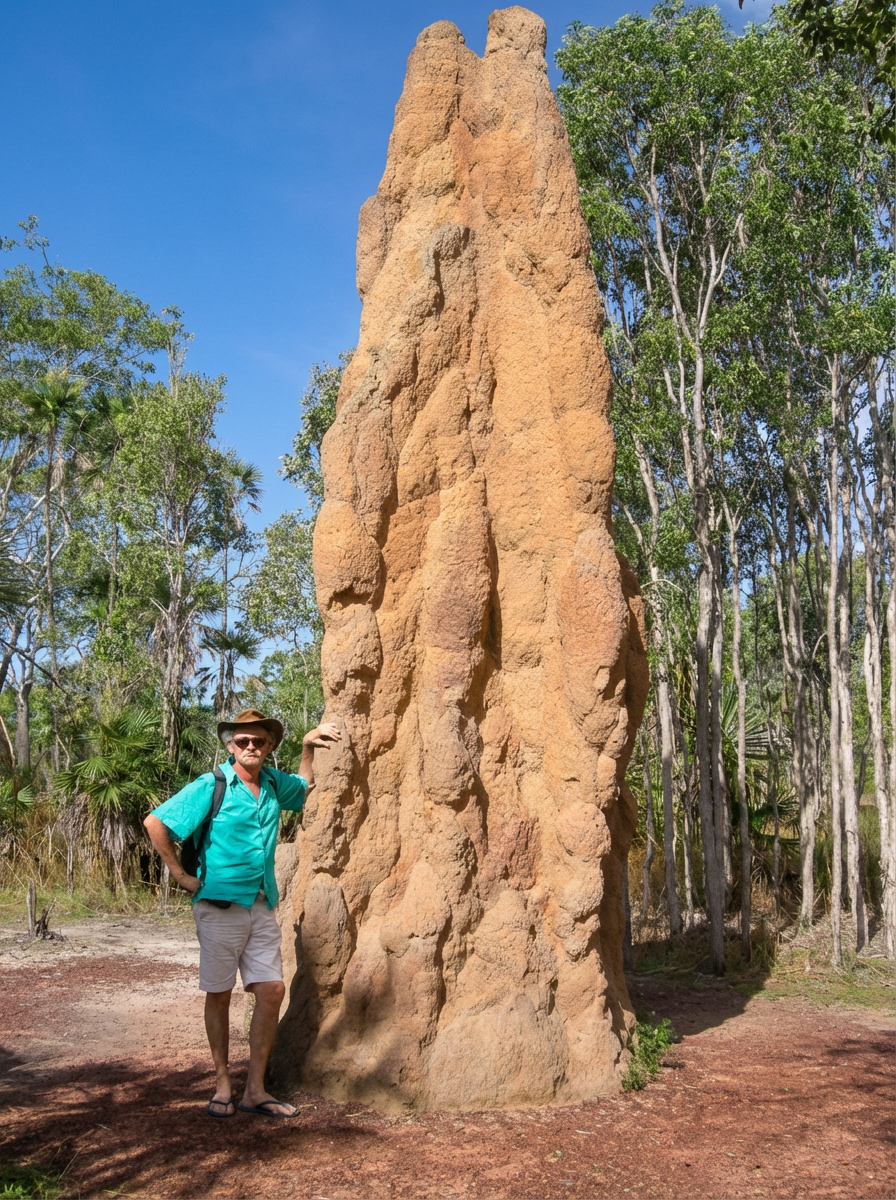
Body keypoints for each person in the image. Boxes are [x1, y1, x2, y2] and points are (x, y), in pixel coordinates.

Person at [144, 707, 341, 1118]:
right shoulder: (212, 784)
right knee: (218, 995)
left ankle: (255, 1090)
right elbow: (156, 823)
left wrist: (307, 747)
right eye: (242, 741)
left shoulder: (271, 784)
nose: (250, 747)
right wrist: (181, 876)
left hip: (261, 903)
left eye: (259, 741)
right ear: (230, 745)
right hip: (218, 906)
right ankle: (221, 1085)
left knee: (271, 990)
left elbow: (304, 788)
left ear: (269, 747)